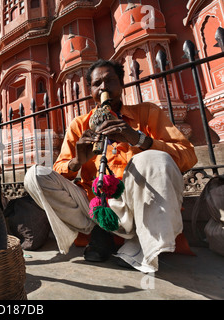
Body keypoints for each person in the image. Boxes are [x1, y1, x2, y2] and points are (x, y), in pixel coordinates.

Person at [24, 59, 198, 273]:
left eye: (110, 81)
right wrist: (77, 161)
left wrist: (139, 139)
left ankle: (141, 243)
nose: (104, 88)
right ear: (91, 91)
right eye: (97, 84)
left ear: (121, 84)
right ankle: (99, 232)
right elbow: (60, 170)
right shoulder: (79, 124)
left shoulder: (147, 113)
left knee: (152, 159)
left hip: (137, 202)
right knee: (35, 176)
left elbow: (188, 155)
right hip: (96, 206)